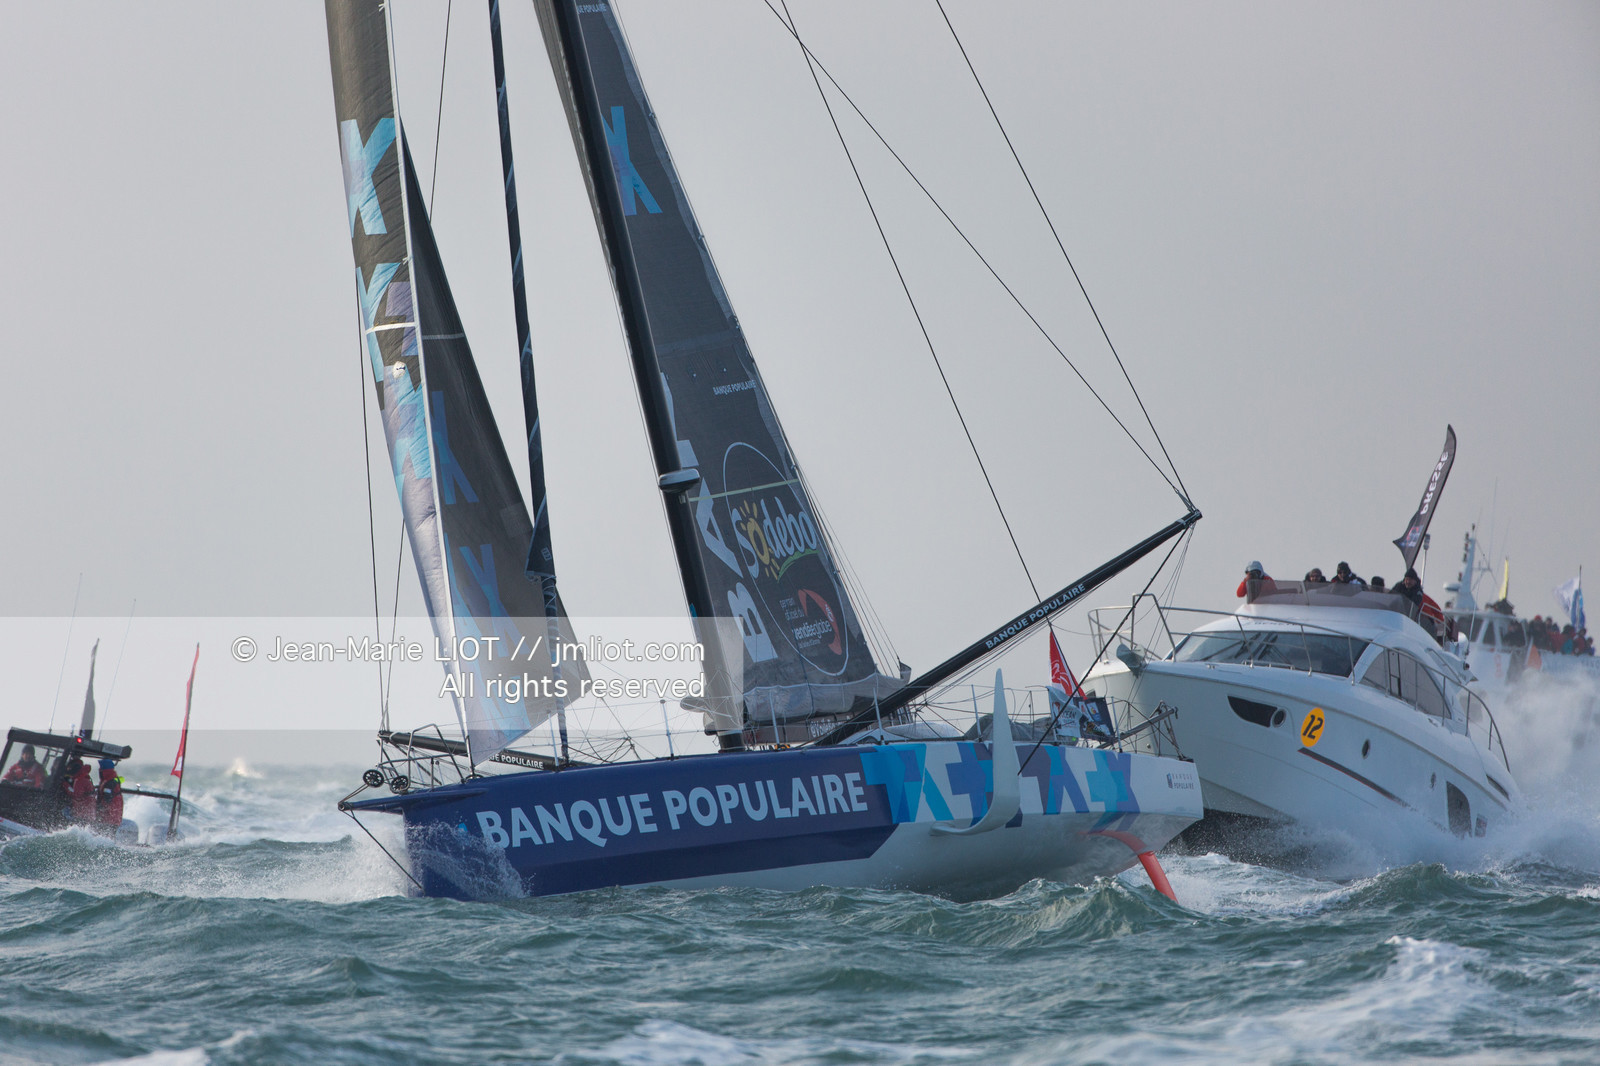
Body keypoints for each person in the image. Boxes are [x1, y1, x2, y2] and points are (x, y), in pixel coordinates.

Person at [62, 756, 96, 822]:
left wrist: (65, 785)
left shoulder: (80, 781)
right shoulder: (85, 779)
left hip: (82, 814)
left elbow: (76, 795)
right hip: (88, 813)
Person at [95, 759, 123, 832]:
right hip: (112, 818)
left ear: (104, 770)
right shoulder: (111, 780)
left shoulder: (109, 783)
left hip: (108, 819)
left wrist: (98, 810)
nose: (99, 769)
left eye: (101, 768)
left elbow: (107, 799)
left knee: (105, 836)